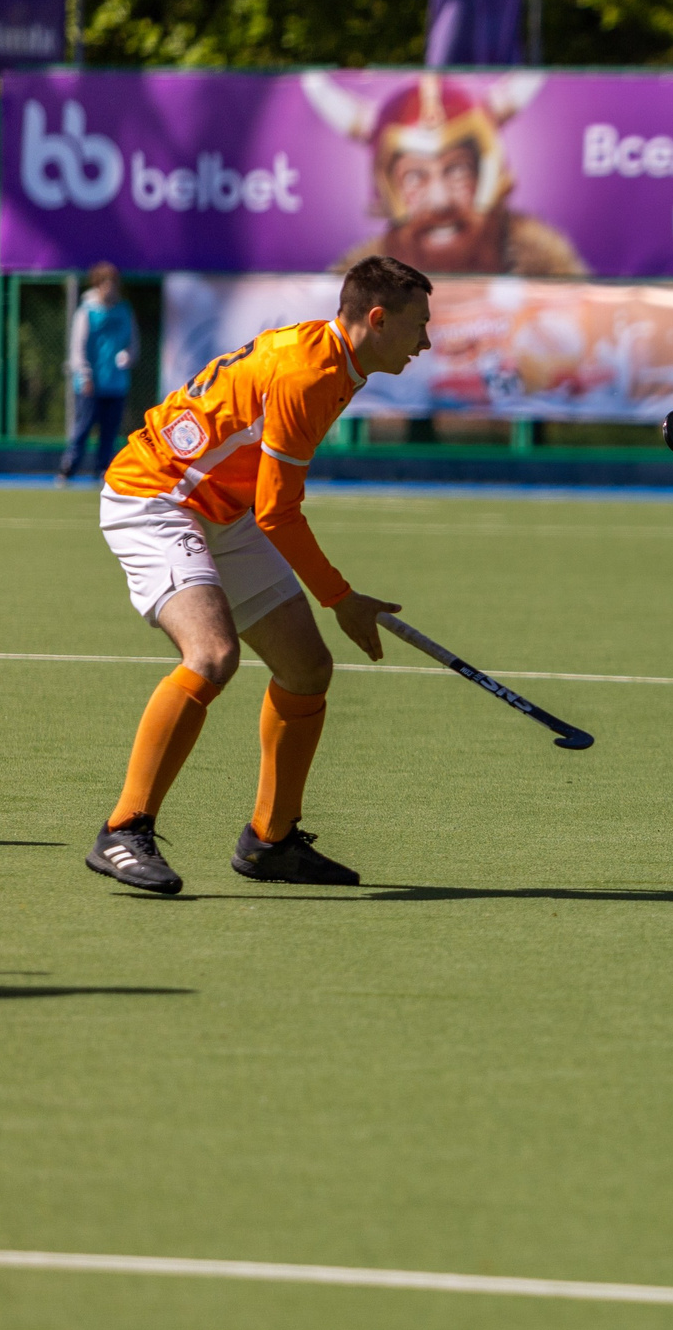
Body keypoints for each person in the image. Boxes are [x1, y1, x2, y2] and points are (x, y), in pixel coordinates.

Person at [84, 256, 434, 896]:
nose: (427, 342)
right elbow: (278, 512)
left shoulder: (336, 360)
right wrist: (342, 598)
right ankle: (123, 828)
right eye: (419, 326)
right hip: (157, 497)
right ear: (379, 320)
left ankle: (271, 840)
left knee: (307, 668)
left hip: (222, 507)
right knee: (213, 654)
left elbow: (265, 503)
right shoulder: (309, 374)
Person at [300, 72, 587, 274]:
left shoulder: (555, 288)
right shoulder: (349, 299)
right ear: (387, 190)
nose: (440, 201)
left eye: (458, 170)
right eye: (414, 176)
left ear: (488, 176)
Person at [57, 264, 137, 485]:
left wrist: (128, 357)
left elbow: (133, 343)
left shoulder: (124, 310)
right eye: (106, 283)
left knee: (110, 431)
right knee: (82, 428)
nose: (110, 288)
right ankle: (68, 469)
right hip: (90, 384)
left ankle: (103, 469)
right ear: (98, 285)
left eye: (114, 284)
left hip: (116, 383)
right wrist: (84, 375)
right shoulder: (87, 311)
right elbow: (78, 347)